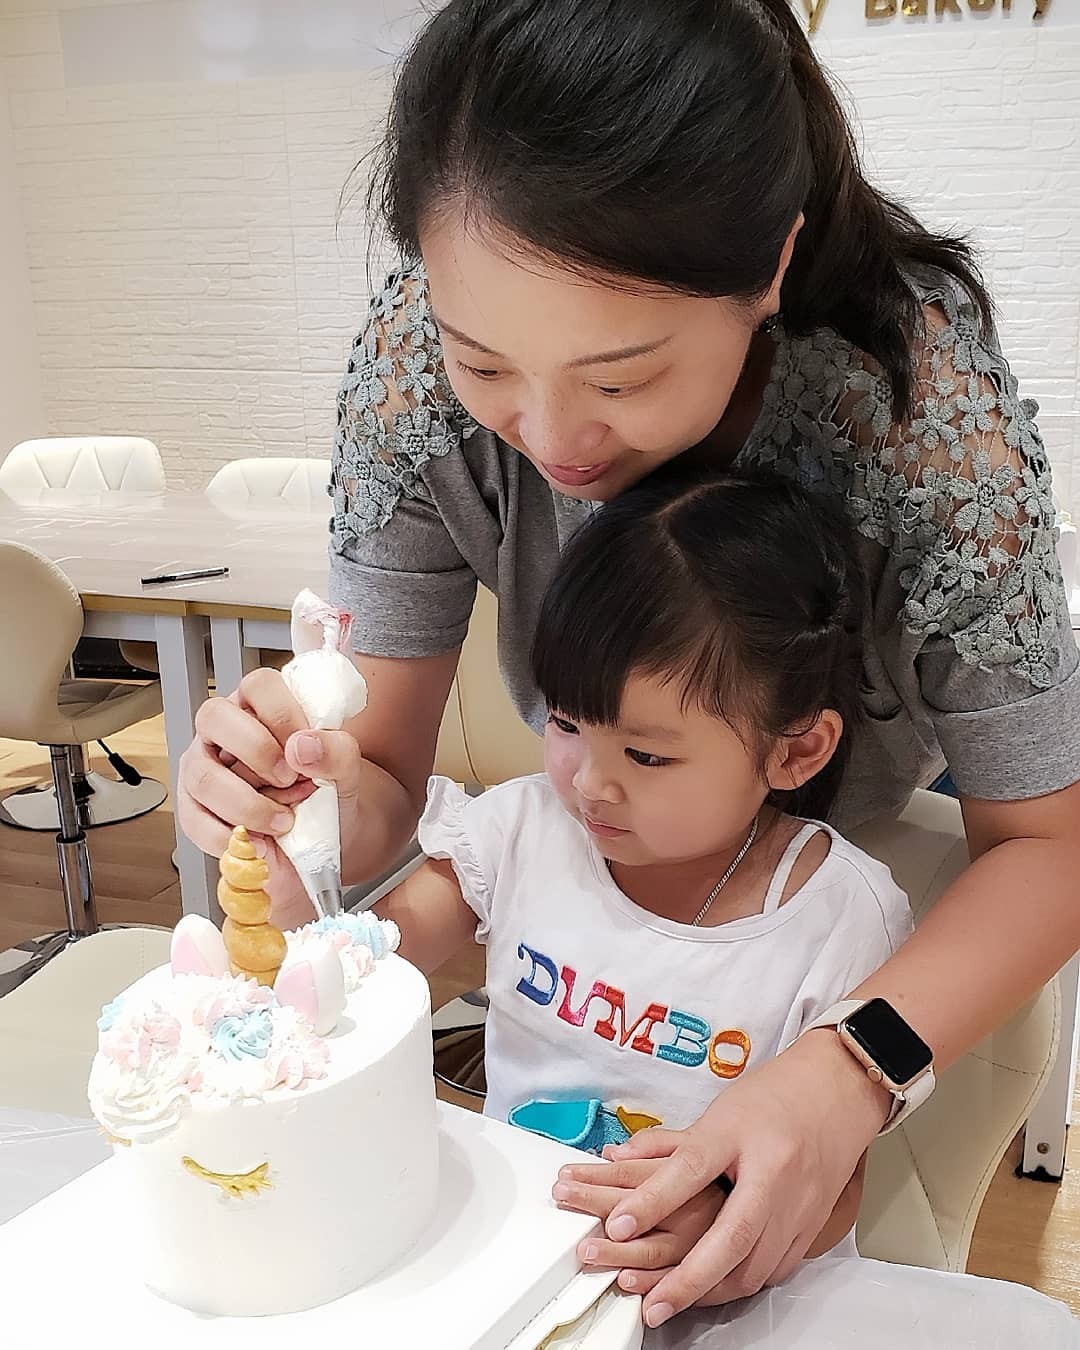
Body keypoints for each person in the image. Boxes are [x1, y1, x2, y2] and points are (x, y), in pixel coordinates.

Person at [177, 0, 1080, 1328]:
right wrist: (293, 792)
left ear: (773, 264)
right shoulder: (411, 373)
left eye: (622, 376)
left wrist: (851, 1069)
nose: (552, 438)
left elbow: (1047, 844)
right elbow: (380, 788)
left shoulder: (915, 401)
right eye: (484, 362)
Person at [377, 467, 913, 1281]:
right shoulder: (522, 829)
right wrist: (291, 869)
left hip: (708, 1286)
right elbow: (370, 955)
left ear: (795, 751)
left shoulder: (839, 916)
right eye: (566, 723)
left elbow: (835, 1189)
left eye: (647, 755)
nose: (591, 784)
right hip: (514, 1254)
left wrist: (724, 1218)